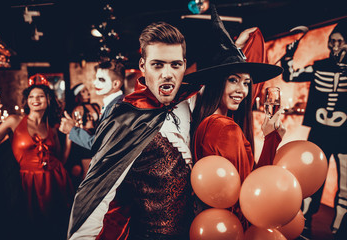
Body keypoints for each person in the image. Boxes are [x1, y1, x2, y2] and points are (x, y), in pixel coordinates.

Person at [67, 21, 201, 240]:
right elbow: (98, 192)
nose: (167, 73)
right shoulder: (125, 118)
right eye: (158, 64)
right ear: (143, 66)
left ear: (184, 66)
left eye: (175, 65)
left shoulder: (188, 102)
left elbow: (230, 86)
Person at [185, 5, 286, 229]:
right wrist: (271, 140)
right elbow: (250, 193)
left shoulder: (203, 118)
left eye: (247, 82)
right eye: (233, 79)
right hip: (232, 226)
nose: (241, 89)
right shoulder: (226, 129)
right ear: (217, 82)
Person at [281, 19, 347, 236]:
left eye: (340, 42)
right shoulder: (319, 67)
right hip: (319, 130)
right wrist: (289, 55)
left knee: (346, 181)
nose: (334, 47)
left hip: (344, 133)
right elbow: (290, 75)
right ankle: (305, 221)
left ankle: (340, 226)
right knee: (313, 176)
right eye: (332, 42)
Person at [0, 84, 74, 240]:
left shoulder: (51, 127)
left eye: (40, 96)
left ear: (48, 99)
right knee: (28, 229)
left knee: (54, 229)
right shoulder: (13, 120)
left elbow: (61, 160)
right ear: (26, 100)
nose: (35, 100)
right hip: (26, 183)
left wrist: (69, 136)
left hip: (54, 182)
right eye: (31, 96)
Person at [59, 60, 125, 152]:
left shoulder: (117, 106)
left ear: (115, 84)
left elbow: (102, 145)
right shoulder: (113, 104)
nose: (95, 83)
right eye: (96, 78)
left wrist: (72, 130)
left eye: (101, 79)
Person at [63, 83, 100, 186]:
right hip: (84, 142)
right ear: (78, 95)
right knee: (87, 173)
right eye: (83, 91)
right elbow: (74, 128)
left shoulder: (95, 106)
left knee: (95, 171)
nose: (87, 92)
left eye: (87, 90)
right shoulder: (78, 109)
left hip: (95, 139)